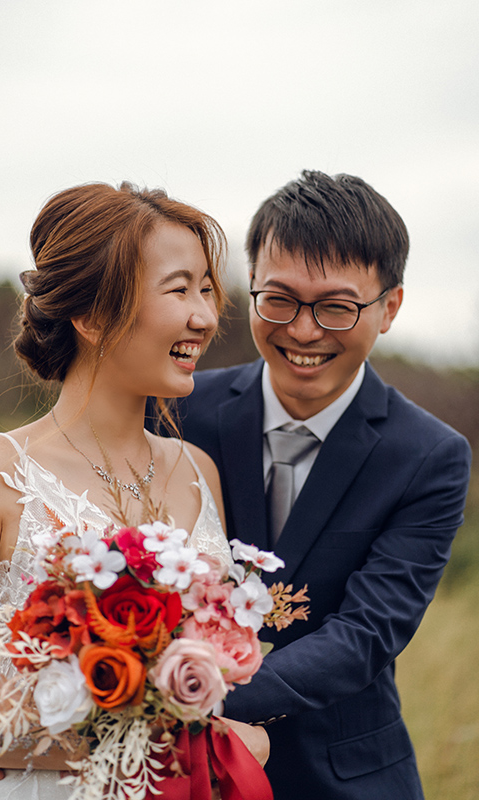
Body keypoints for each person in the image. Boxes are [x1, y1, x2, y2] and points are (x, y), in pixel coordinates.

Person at [0, 182, 269, 799]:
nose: (204, 315)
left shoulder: (199, 470)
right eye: (179, 289)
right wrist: (158, 747)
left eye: (206, 288)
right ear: (92, 317)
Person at [170, 170, 471, 799]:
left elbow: (366, 634)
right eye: (278, 299)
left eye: (337, 307)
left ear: (389, 307)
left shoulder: (430, 457)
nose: (303, 331)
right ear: (249, 288)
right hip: (175, 774)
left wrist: (181, 694)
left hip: (346, 778)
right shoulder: (180, 412)